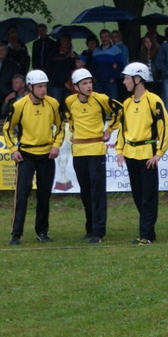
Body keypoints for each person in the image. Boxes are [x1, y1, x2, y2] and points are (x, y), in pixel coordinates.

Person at [60, 68, 122, 244]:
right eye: (84, 83)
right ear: (76, 87)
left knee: (97, 192)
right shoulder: (70, 101)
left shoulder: (101, 99)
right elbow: (68, 117)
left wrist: (110, 129)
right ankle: (90, 227)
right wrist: (74, 131)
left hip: (96, 150)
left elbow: (120, 110)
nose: (89, 86)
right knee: (85, 192)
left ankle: (98, 231)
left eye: (90, 82)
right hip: (79, 151)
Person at [3, 70, 64, 245]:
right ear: (30, 87)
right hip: (26, 155)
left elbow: (60, 126)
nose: (43, 90)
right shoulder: (19, 105)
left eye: (45, 86)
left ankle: (42, 232)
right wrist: (13, 149)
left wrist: (56, 145)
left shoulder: (53, 103)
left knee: (44, 195)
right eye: (39, 87)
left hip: (47, 155)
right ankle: (16, 234)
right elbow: (7, 128)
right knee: (22, 195)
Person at [115, 62, 168, 244]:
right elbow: (122, 129)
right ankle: (148, 231)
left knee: (148, 196)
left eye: (127, 78)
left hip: (148, 155)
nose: (124, 82)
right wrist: (119, 150)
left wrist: (159, 153)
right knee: (138, 196)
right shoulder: (127, 103)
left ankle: (146, 234)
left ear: (138, 79)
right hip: (130, 154)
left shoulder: (153, 100)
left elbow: (165, 127)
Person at [92, 29, 124, 101]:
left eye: (106, 37)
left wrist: (114, 77)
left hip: (111, 82)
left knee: (113, 102)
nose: (104, 39)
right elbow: (93, 66)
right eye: (102, 37)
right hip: (99, 81)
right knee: (99, 102)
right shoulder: (96, 51)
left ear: (109, 38)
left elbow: (120, 66)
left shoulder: (116, 50)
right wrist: (94, 77)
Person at [48, 34, 77, 102]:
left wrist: (74, 59)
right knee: (56, 103)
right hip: (56, 83)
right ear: (61, 41)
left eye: (68, 41)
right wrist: (52, 76)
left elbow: (77, 68)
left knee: (68, 103)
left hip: (68, 84)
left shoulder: (73, 54)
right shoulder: (54, 53)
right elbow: (48, 66)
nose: (66, 42)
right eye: (64, 40)